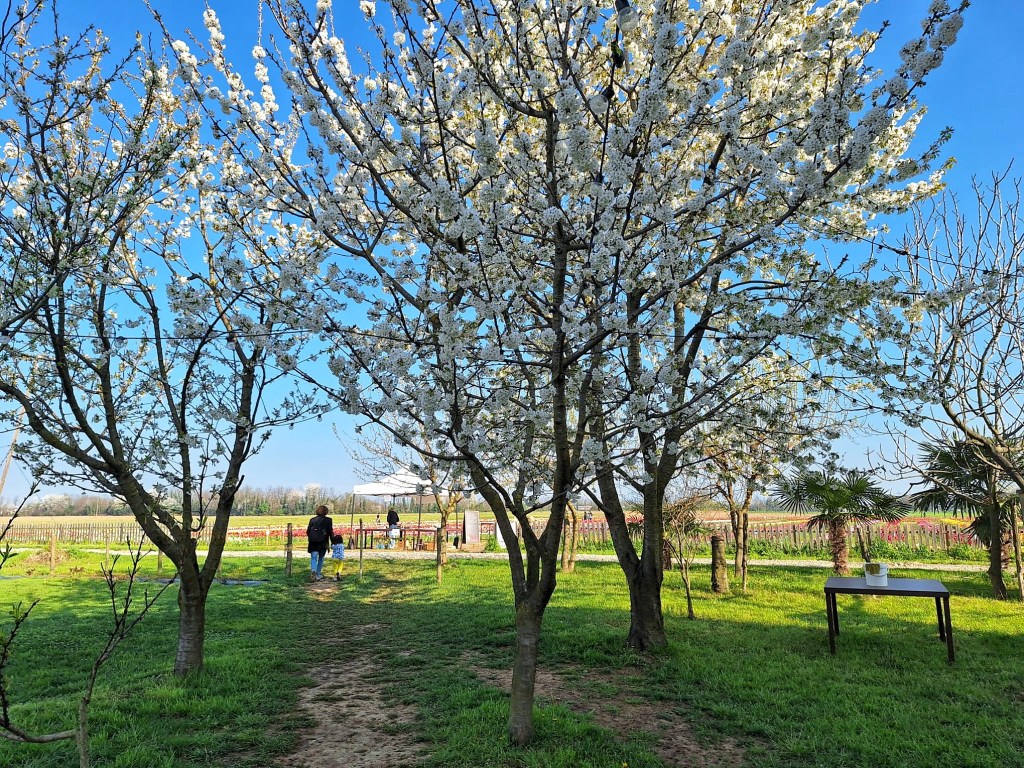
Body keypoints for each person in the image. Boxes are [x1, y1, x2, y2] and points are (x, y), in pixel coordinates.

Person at [306, 505, 334, 581]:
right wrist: (333, 542)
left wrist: (311, 538)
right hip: (323, 541)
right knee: (321, 558)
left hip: (313, 541)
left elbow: (308, 531)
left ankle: (313, 571)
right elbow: (330, 532)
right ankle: (318, 574)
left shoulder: (312, 520)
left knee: (314, 557)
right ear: (326, 511)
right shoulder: (329, 520)